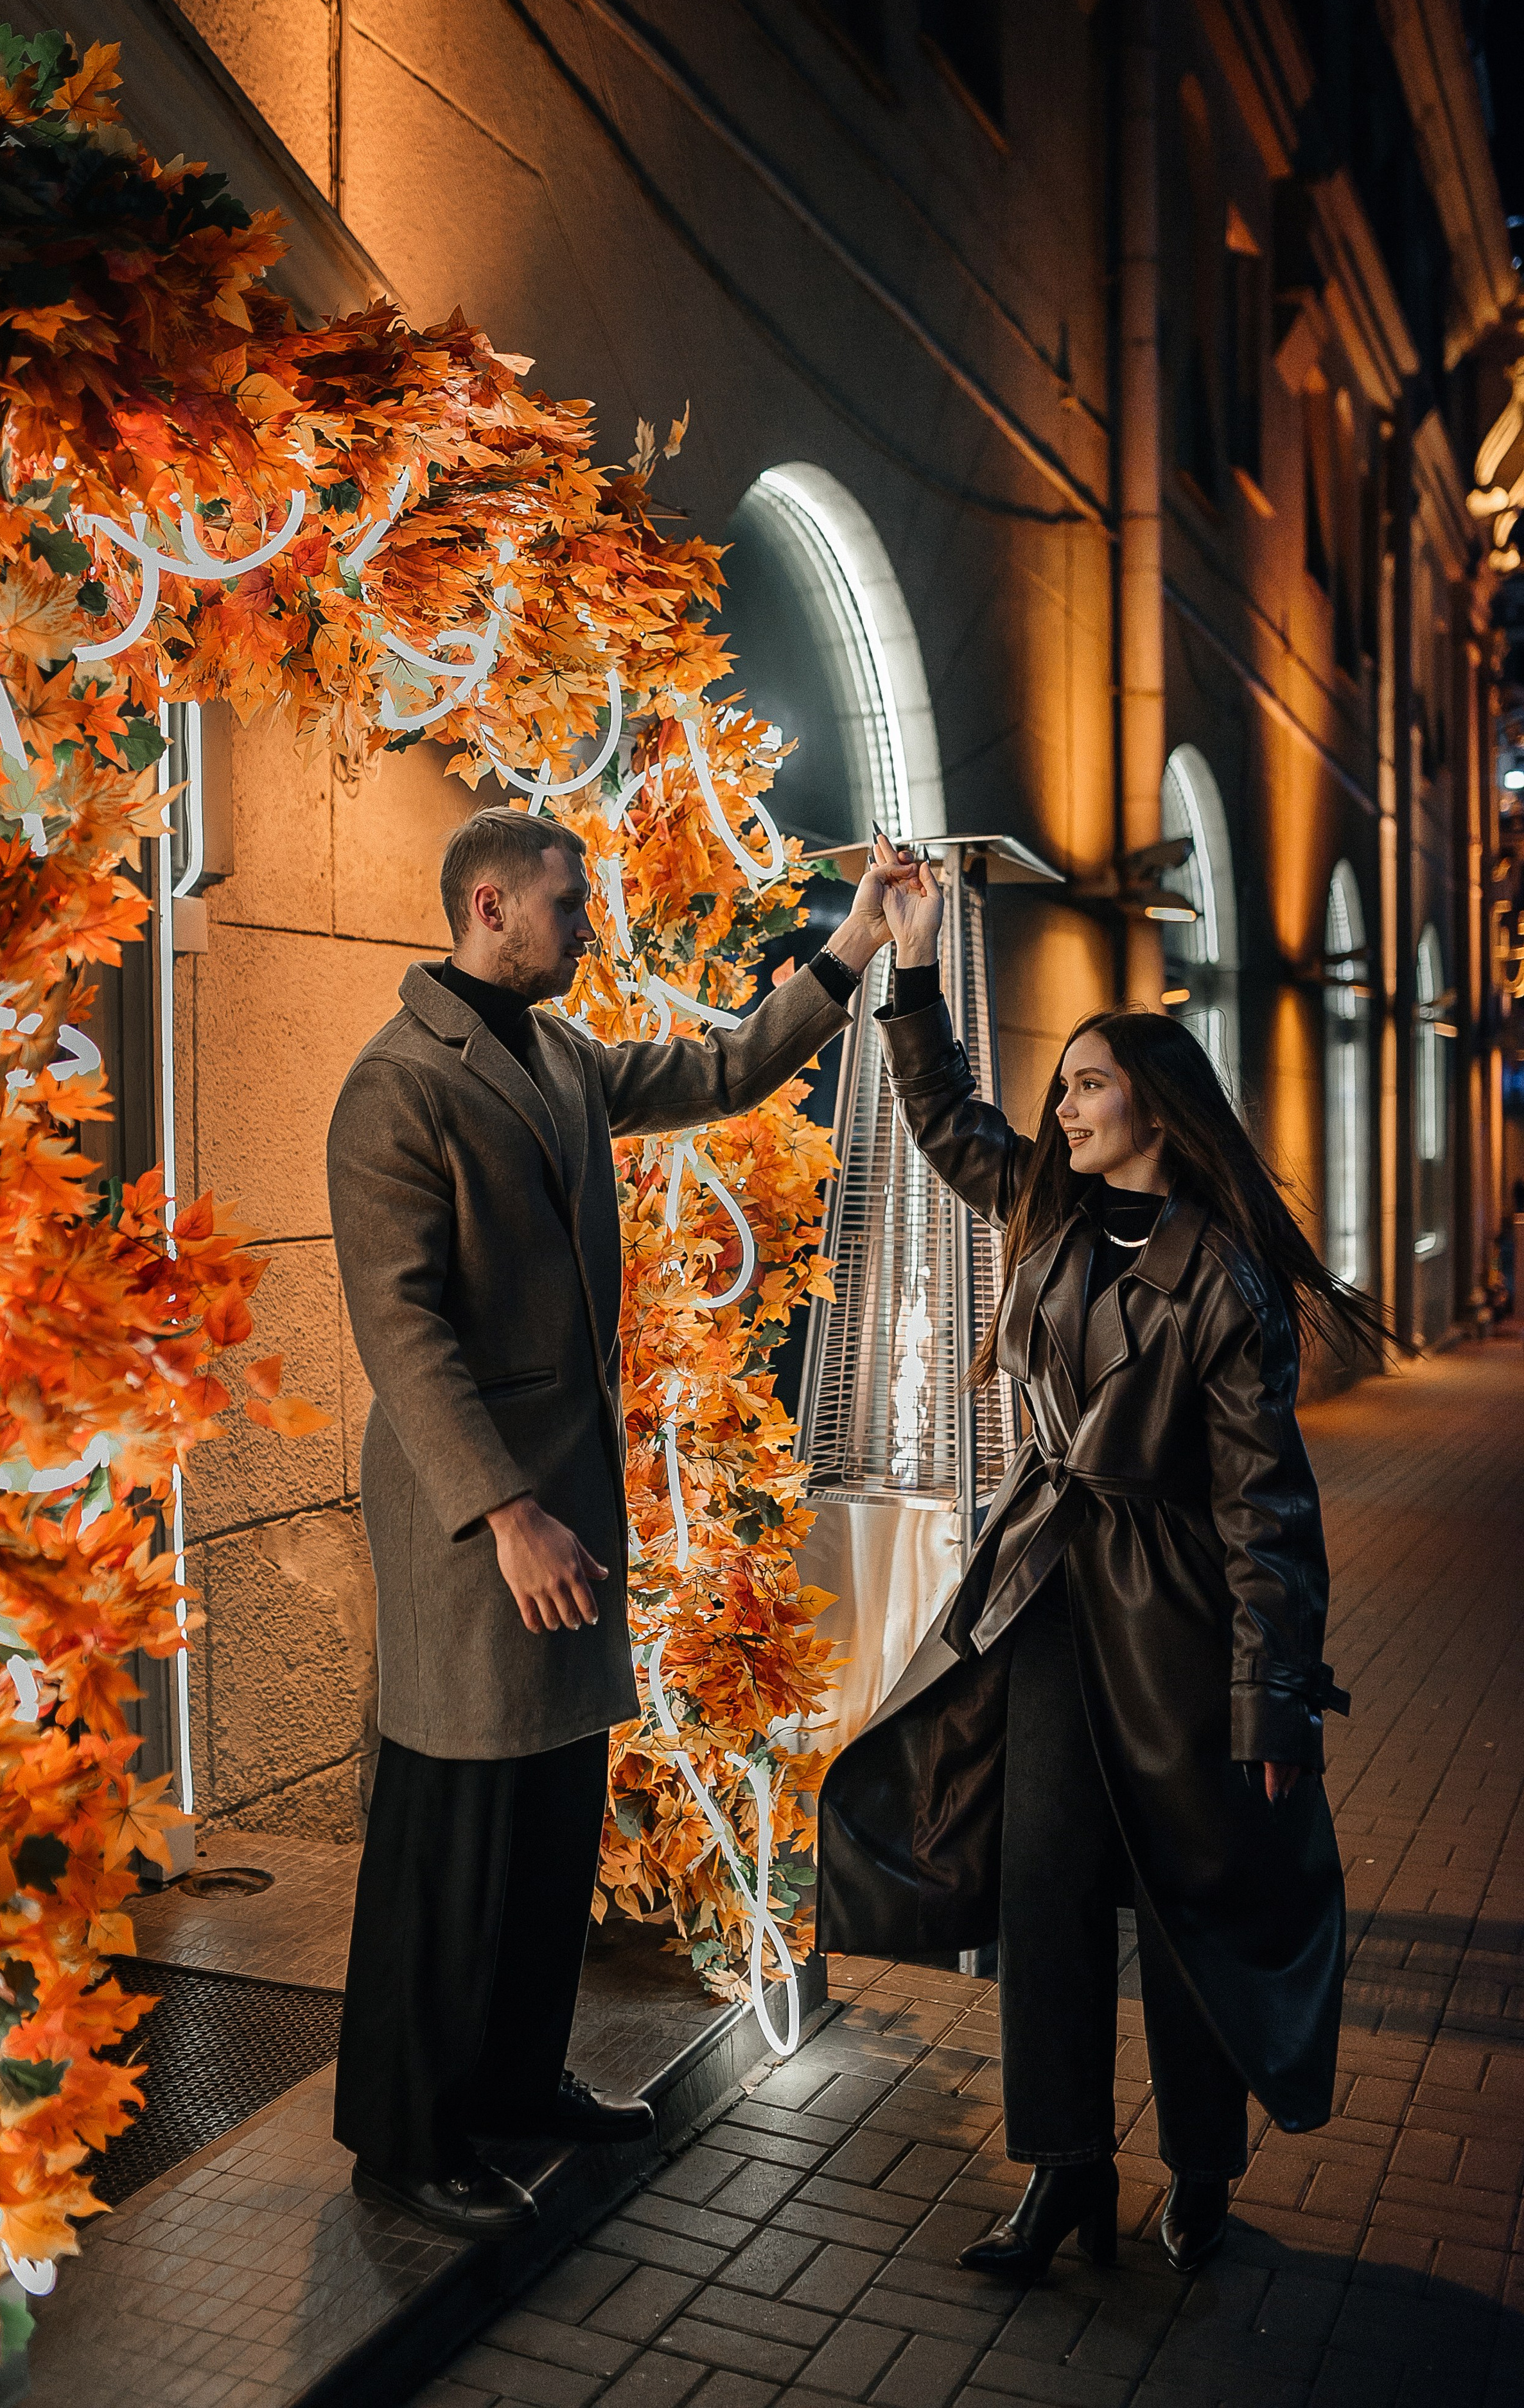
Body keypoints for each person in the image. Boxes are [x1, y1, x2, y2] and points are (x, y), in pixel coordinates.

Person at [818, 837, 1383, 2282]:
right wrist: (915, 962)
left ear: (1150, 1103)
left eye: (1082, 1082)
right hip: (1047, 1594)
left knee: (1187, 1902)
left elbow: (1265, 1506)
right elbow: (947, 1122)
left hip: (1176, 1619)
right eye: (1060, 1083)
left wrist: (1271, 1702)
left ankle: (1198, 2171)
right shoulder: (1048, 1210)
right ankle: (1062, 2168)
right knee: (1043, 1886)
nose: (1059, 1103)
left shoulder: (1223, 1278)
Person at [328, 805, 893, 2240]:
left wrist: (850, 949)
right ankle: (407, 2133)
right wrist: (505, 1510)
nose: (588, 923)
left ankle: (516, 2084)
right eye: (566, 903)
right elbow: (399, 1330)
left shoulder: (561, 1057)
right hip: (479, 1525)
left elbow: (716, 1071)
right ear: (486, 906)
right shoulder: (397, 1084)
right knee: (454, 1824)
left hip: (562, 1508)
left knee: (548, 1815)